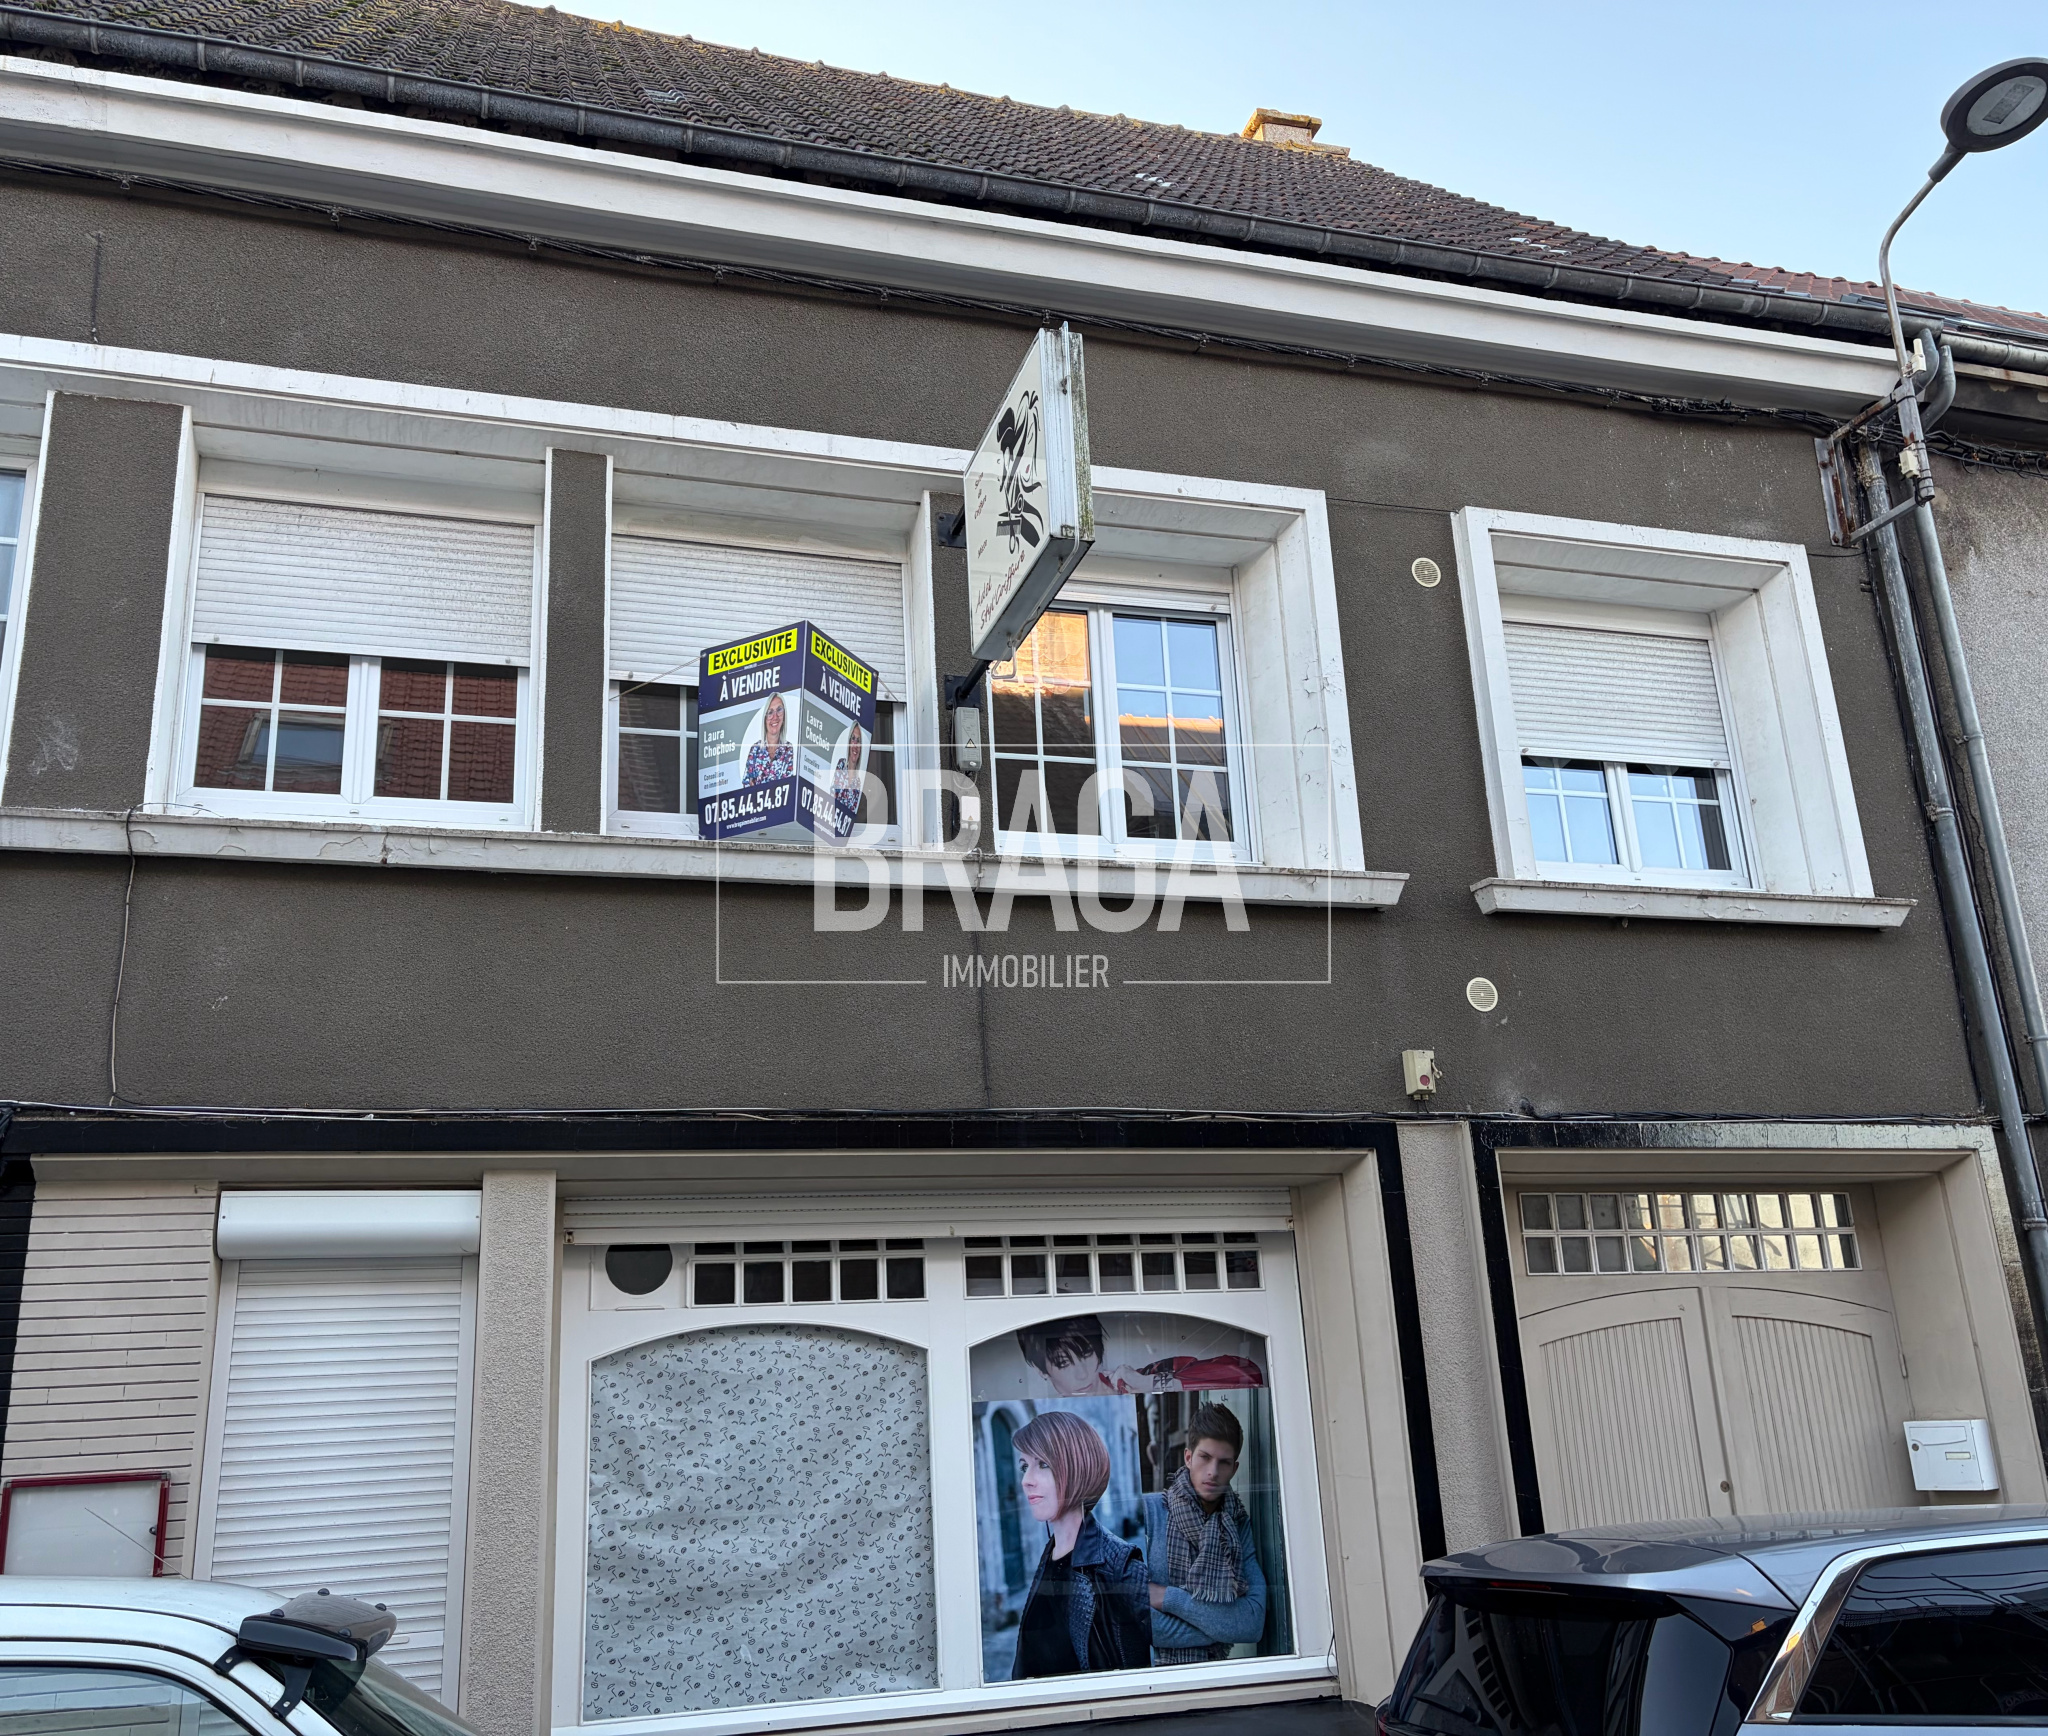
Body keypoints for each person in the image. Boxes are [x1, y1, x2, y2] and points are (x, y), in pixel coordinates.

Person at [1009, 1410, 1150, 1679]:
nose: (1026, 1480)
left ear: (1077, 1468)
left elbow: (1177, 1647)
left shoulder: (1118, 1565)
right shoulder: (1050, 1555)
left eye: (1043, 1464)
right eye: (1024, 1466)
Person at [1142, 1403, 1268, 1665]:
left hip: (1214, 1678)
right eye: (1205, 1457)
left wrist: (1169, 1598)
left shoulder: (1237, 1525)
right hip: (1152, 1678)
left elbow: (1252, 1623)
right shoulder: (1150, 1512)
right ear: (1188, 1458)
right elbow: (1140, 1623)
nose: (1213, 1471)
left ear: (1234, 1469)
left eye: (1224, 1462)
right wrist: (1220, 1629)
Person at [1016, 1317, 1265, 1397]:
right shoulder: (1046, 1421)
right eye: (1063, 1363)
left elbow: (1247, 1375)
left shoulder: (1142, 1379)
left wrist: (1148, 1383)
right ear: (1041, 1370)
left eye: (1086, 1354)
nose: (1082, 1373)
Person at [743, 692, 793, 785]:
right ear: (765, 719)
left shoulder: (788, 749)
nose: (775, 717)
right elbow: (747, 784)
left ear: (784, 716)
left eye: (779, 710)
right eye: (770, 712)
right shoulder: (755, 749)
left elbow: (788, 784)